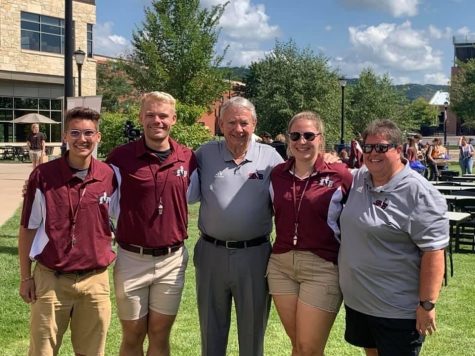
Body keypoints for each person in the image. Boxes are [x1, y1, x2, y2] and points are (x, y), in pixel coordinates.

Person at [338, 119, 449, 356]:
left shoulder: (419, 193)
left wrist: (427, 304)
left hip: (397, 310)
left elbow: (434, 251)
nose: (373, 153)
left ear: (399, 149)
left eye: (381, 147)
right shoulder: (360, 179)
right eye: (367, 147)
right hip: (361, 303)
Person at [187, 96, 283, 356]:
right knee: (211, 330)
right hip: (211, 254)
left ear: (254, 123)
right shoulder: (204, 154)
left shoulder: (272, 158)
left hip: (255, 255)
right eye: (231, 122)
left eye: (244, 122)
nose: (237, 129)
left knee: (252, 335)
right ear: (220, 124)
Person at [18, 107, 117, 356]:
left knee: (92, 352)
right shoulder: (43, 176)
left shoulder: (109, 176)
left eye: (88, 133)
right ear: (64, 136)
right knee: (42, 351)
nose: (81, 139)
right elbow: (28, 228)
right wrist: (25, 277)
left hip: (95, 281)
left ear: (98, 137)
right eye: (74, 132)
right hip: (52, 279)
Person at [106, 91, 196, 356]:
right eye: (150, 115)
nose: (157, 121)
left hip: (172, 260)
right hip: (132, 258)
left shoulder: (188, 158)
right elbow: (95, 191)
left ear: (174, 119)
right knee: (132, 335)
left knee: (159, 333)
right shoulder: (121, 158)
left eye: (163, 115)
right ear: (140, 118)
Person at [267, 111, 353, 355]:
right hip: (280, 265)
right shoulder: (277, 174)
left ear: (320, 138)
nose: (301, 141)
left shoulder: (340, 174)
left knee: (308, 348)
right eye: (295, 135)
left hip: (322, 267)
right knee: (298, 345)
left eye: (308, 135)